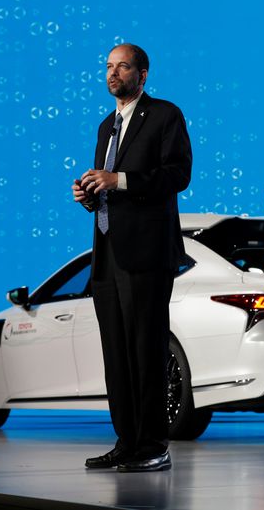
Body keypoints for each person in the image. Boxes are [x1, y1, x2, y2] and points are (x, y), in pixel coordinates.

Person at [71, 43, 192, 472]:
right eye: (108, 66)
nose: (113, 73)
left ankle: (154, 445)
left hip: (146, 255)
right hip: (107, 255)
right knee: (117, 353)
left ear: (142, 75)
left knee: (146, 350)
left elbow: (178, 174)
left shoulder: (164, 115)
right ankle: (127, 441)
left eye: (123, 66)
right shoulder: (106, 126)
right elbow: (109, 190)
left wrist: (117, 179)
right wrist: (89, 194)